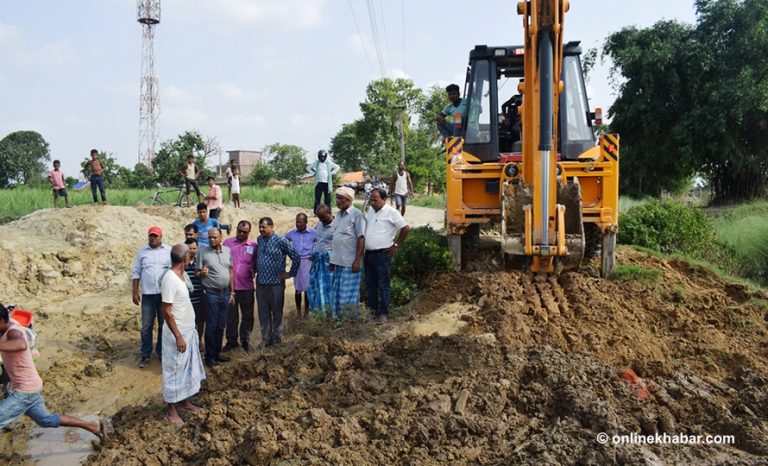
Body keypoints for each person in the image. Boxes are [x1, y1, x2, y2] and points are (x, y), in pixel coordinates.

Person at [0, 304, 107, 444]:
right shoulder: (6, 327)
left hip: (24, 391)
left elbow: (21, 344)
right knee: (46, 420)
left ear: (1, 321)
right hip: (32, 387)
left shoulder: (13, 333)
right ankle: (93, 426)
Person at [160, 244, 206, 425]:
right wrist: (178, 335)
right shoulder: (170, 279)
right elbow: (167, 311)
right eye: (190, 255)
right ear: (185, 259)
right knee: (174, 370)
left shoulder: (180, 276)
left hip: (187, 331)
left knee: (186, 370)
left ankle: (184, 402)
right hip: (176, 335)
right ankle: (171, 410)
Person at [364, 188, 410, 324]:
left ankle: (383, 314)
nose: (372, 202)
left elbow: (406, 229)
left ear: (383, 199)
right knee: (370, 285)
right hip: (369, 254)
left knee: (383, 285)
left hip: (382, 255)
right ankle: (372, 313)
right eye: (371, 200)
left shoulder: (392, 212)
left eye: (375, 200)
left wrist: (395, 246)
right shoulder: (371, 210)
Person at [255, 217, 300, 347]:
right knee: (263, 313)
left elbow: (295, 256)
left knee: (277, 313)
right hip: (261, 283)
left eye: (264, 227)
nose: (261, 229)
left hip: (276, 283)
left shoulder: (281, 240)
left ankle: (277, 341)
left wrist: (290, 273)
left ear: (271, 226)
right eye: (260, 227)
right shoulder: (259, 239)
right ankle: (265, 340)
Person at [131, 226, 172, 368]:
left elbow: (174, 271)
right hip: (147, 294)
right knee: (146, 326)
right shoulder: (142, 252)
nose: (153, 238)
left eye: (156, 236)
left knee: (163, 324)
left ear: (161, 237)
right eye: (151, 236)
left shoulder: (168, 251)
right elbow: (136, 272)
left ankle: (161, 352)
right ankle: (145, 354)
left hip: (164, 294)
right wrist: (135, 292)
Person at [196, 227, 234, 367]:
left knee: (221, 325)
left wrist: (232, 292)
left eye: (214, 237)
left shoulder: (228, 251)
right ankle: (210, 357)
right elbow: (197, 273)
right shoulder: (203, 252)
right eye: (209, 237)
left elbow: (230, 272)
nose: (212, 240)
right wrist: (202, 273)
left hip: (225, 293)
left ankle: (217, 354)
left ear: (221, 237)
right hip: (210, 293)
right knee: (211, 326)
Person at [329, 187, 365, 319]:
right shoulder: (339, 215)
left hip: (350, 264)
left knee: (347, 296)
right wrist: (332, 260)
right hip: (338, 262)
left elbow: (361, 238)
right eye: (336, 198)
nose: (337, 201)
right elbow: (336, 238)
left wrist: (357, 260)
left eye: (340, 198)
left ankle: (348, 322)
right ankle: (337, 321)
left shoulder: (357, 215)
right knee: (337, 294)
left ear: (348, 199)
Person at [222, 220, 257, 353]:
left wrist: (253, 271)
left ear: (249, 232)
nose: (241, 234)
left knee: (248, 315)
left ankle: (245, 340)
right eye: (239, 231)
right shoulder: (227, 243)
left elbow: (256, 264)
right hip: (230, 288)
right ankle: (231, 341)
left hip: (247, 287)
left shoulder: (254, 246)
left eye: (244, 232)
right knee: (231, 316)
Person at [285, 213, 316, 318]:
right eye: (296, 222)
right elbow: (283, 241)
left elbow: (321, 243)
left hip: (308, 262)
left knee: (307, 288)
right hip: (297, 262)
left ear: (306, 222)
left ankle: (307, 311)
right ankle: (298, 312)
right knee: (297, 288)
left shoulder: (313, 233)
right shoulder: (292, 233)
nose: (298, 224)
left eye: (300, 222)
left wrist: (314, 252)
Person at [308, 204, 335, 316]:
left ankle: (330, 313)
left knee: (329, 289)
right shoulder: (319, 225)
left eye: (323, 217)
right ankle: (318, 312)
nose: (321, 220)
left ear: (329, 213)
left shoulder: (337, 226)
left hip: (330, 264)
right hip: (318, 262)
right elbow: (317, 242)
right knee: (314, 287)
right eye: (319, 217)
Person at [184, 236, 206, 342]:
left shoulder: (200, 261)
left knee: (200, 321)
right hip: (187, 299)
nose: (192, 251)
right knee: (188, 322)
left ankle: (199, 341)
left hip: (200, 297)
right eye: (189, 248)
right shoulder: (182, 262)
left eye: (194, 248)